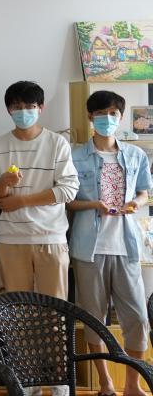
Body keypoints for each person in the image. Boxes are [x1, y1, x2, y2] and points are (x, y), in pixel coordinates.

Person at [68, 90, 150, 396]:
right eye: (101, 113)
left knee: (137, 318)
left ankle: (133, 384)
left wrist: (136, 203)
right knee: (93, 317)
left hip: (127, 246)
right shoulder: (75, 155)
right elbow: (67, 200)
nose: (107, 119)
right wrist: (93, 205)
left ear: (121, 117)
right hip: (89, 248)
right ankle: (105, 382)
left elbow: (144, 191)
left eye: (113, 113)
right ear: (90, 116)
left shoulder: (135, 155)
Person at [0, 81, 79, 300]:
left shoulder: (57, 143)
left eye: (30, 106)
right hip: (12, 239)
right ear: (9, 110)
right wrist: (4, 182)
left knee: (54, 309)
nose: (23, 112)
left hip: (51, 238)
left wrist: (22, 201)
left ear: (41, 108)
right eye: (17, 107)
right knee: (17, 310)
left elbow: (69, 190)